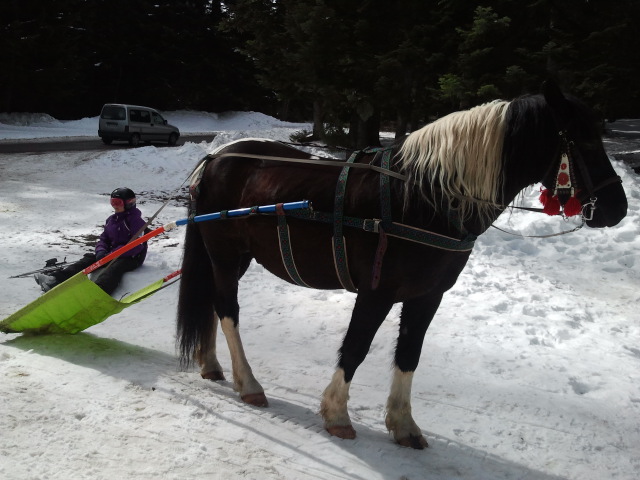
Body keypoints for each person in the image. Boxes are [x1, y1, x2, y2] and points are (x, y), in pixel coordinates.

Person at [34, 187, 148, 295]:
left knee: (116, 267)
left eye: (118, 203)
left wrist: (113, 254)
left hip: (132, 257)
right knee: (88, 259)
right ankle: (55, 280)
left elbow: (137, 246)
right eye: (112, 202)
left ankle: (98, 291)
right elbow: (104, 238)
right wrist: (101, 251)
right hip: (111, 254)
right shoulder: (111, 220)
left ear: (129, 203)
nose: (114, 206)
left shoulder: (136, 221)